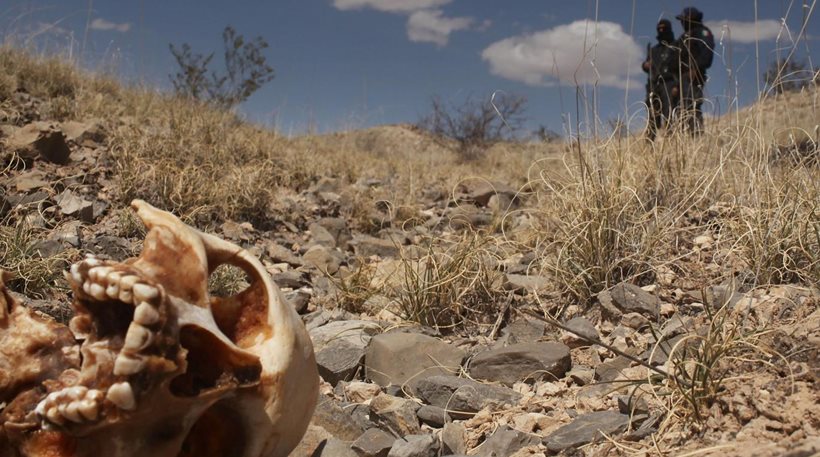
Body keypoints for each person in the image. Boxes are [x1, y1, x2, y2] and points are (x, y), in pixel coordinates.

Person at [675, 7, 715, 135]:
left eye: (684, 20)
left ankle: (696, 137)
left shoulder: (702, 33)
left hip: (693, 77)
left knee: (691, 106)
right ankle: (683, 140)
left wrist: (696, 69)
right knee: (679, 110)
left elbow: (707, 54)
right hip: (680, 79)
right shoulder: (683, 37)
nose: (682, 23)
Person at [642, 19, 680, 141]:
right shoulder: (654, 50)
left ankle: (671, 139)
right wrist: (646, 65)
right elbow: (647, 65)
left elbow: (682, 68)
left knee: (669, 112)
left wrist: (677, 86)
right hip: (654, 85)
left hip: (669, 83)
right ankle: (650, 141)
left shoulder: (676, 47)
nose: (661, 31)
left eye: (664, 28)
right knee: (652, 113)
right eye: (659, 29)